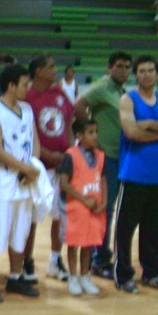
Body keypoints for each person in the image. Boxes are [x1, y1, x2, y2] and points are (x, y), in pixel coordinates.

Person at [114, 55, 158, 294]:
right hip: (133, 174)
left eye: (151, 70)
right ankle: (123, 275)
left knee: (154, 229)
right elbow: (132, 132)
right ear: (136, 75)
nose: (146, 74)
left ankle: (153, 273)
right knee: (125, 230)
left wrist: (150, 124)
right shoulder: (128, 99)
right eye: (142, 71)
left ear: (157, 73)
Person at [0, 64, 42, 299]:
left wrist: (32, 167)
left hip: (25, 182)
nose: (28, 88)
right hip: (3, 183)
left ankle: (15, 278)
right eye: (25, 84)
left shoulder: (27, 109)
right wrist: (25, 168)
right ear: (11, 85)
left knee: (20, 234)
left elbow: (34, 142)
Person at [73, 51, 132, 278]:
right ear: (109, 67)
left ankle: (100, 255)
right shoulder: (103, 86)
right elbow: (79, 105)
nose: (123, 71)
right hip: (106, 156)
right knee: (105, 208)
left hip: (120, 155)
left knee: (111, 208)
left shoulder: (120, 91)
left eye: (127, 67)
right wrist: (91, 137)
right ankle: (100, 259)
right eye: (119, 66)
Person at [25, 54, 74, 284]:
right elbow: (26, 133)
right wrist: (46, 154)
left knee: (59, 216)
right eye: (51, 66)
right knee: (31, 218)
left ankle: (55, 260)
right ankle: (26, 260)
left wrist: (71, 153)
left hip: (61, 167)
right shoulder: (26, 96)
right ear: (38, 71)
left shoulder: (60, 93)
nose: (56, 70)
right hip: (37, 167)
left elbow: (70, 124)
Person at [59, 118, 105, 296]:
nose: (95, 136)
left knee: (89, 244)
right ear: (79, 135)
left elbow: (104, 179)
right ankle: (73, 277)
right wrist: (83, 199)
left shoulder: (100, 155)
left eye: (96, 132)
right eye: (90, 133)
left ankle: (85, 276)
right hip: (75, 208)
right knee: (74, 243)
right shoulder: (71, 155)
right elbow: (64, 183)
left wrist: (104, 202)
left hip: (94, 208)